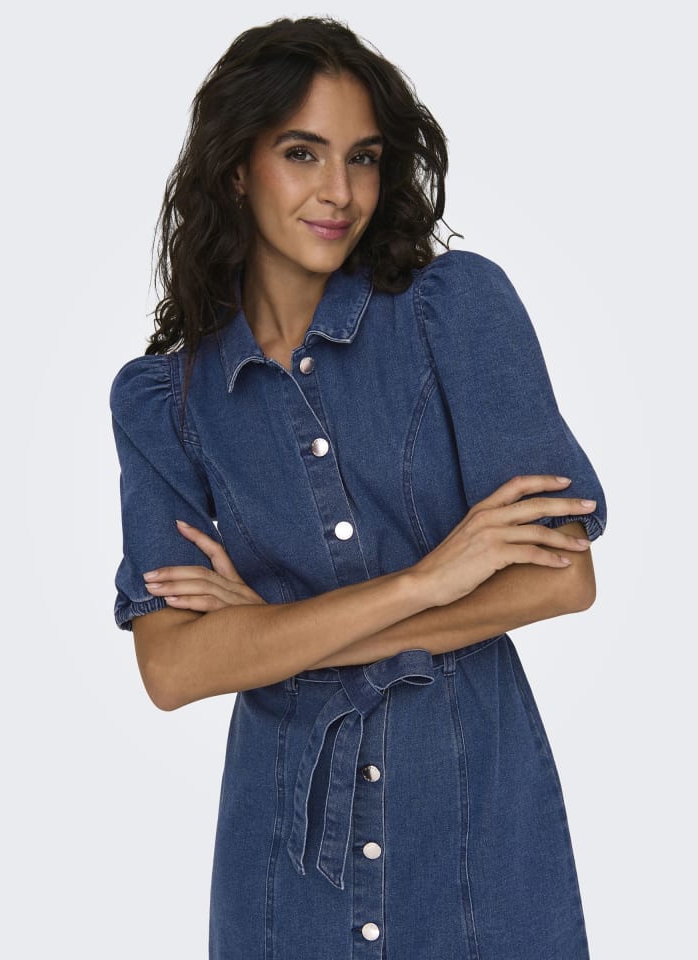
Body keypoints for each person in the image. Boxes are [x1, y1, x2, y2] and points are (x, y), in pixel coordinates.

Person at [109, 16, 607, 960]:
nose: (340, 191)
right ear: (236, 168)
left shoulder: (455, 312)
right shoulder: (164, 401)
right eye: (302, 153)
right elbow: (173, 670)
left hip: (475, 838)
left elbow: (560, 579)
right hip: (282, 863)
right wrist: (429, 580)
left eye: (364, 157)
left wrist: (272, 635)